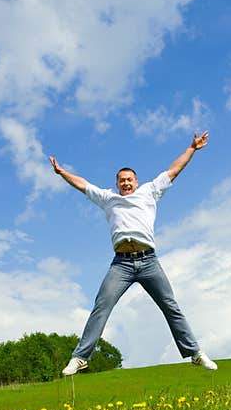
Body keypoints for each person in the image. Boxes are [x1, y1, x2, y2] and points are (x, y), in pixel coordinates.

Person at [49, 131, 218, 376]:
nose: (126, 183)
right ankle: (79, 358)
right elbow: (83, 184)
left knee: (170, 305)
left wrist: (191, 148)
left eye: (129, 179)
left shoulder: (150, 191)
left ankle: (195, 353)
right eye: (121, 180)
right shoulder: (108, 199)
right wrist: (62, 172)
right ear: (117, 183)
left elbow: (173, 171)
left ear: (136, 182)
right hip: (121, 265)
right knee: (101, 306)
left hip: (149, 261)